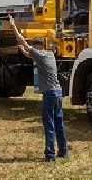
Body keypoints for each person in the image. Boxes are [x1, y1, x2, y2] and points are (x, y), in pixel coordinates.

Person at [9, 15, 68, 162]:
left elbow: (21, 39)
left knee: (49, 124)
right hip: (58, 93)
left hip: (49, 94)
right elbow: (33, 56)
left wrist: (13, 25)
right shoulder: (49, 55)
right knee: (59, 123)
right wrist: (24, 52)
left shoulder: (37, 52)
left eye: (33, 47)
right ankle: (64, 151)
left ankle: (50, 154)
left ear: (36, 46)